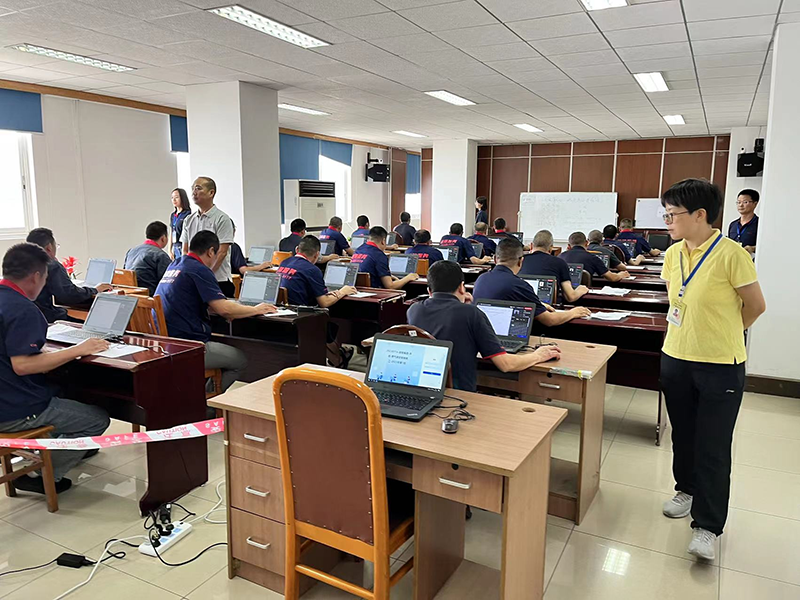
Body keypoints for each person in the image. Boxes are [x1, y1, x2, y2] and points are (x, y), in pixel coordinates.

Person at [658, 178, 765, 561]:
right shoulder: (673, 253)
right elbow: (675, 296)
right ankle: (685, 490)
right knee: (684, 435)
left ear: (700, 214)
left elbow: (755, 306)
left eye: (673, 214)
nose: (668, 221)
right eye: (666, 214)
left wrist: (724, 334)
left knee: (714, 447)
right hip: (676, 357)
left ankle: (707, 526)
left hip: (720, 365)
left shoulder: (732, 254)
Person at [0, 242, 110, 495]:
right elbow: (22, 365)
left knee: (64, 390)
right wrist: (78, 349)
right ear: (36, 276)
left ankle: (59, 450)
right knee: (97, 420)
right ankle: (39, 475)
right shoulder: (22, 309)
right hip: (15, 409)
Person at [407, 260, 561, 392]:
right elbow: (505, 364)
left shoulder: (413, 310)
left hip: (421, 388)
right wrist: (538, 355)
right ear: (462, 287)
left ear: (429, 291)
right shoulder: (471, 313)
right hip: (458, 394)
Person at [157, 231, 277, 394]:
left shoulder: (176, 264)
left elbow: (195, 300)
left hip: (165, 341)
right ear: (210, 251)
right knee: (240, 360)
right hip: (189, 345)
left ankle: (200, 395)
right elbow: (224, 309)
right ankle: (208, 401)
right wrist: (256, 309)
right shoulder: (199, 269)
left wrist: (234, 310)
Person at [277, 235, 358, 367]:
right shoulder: (312, 269)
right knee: (328, 320)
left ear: (297, 249)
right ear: (317, 255)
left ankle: (338, 356)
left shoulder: (284, 263)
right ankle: (338, 360)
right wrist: (342, 291)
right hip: (303, 317)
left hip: (285, 313)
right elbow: (324, 302)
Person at [473, 239, 591, 326]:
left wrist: (537, 304)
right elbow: (550, 320)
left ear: (495, 259)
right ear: (521, 261)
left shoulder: (481, 279)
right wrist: (573, 312)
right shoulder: (519, 285)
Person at [25, 228, 113, 323]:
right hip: (45, 320)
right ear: (49, 247)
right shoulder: (50, 265)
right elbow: (69, 295)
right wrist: (95, 290)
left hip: (24, 319)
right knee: (92, 324)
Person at [180, 177, 236, 297]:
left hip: (218, 280)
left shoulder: (222, 219)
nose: (194, 192)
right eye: (193, 189)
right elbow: (185, 250)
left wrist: (205, 274)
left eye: (198, 188)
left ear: (211, 193)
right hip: (194, 279)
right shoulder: (188, 220)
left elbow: (221, 252)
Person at [519, 230, 589, 303]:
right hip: (547, 306)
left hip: (522, 303)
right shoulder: (559, 263)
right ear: (551, 248)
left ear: (531, 246)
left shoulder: (520, 261)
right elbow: (570, 296)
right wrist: (581, 289)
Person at [352, 226, 419, 290]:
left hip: (357, 291)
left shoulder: (358, 250)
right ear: (383, 241)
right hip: (375, 292)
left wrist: (388, 275)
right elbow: (390, 286)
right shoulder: (379, 255)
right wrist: (408, 277)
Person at [123, 221, 172, 296]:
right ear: (163, 238)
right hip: (149, 298)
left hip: (130, 295)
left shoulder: (131, 251)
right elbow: (168, 283)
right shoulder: (161, 255)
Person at [560, 232, 627, 282]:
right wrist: (621, 275)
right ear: (587, 243)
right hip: (584, 292)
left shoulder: (560, 256)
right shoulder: (592, 258)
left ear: (569, 245)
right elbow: (612, 278)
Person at [727, 188, 759, 253]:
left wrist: (753, 248)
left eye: (745, 202)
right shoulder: (733, 224)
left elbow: (766, 245)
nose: (741, 205)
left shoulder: (759, 224)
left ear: (755, 204)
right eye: (739, 202)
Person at [170, 188, 191, 259]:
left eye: (176, 197)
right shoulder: (173, 215)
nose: (174, 200)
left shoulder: (188, 214)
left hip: (184, 247)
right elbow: (171, 231)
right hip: (175, 247)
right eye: (172, 197)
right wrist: (170, 250)